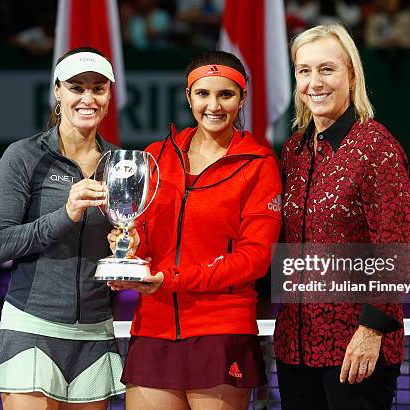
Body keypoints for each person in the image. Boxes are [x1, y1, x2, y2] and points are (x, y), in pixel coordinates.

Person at [108, 50, 282, 409]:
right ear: (188, 97)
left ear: (242, 97)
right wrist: (129, 250)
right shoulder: (156, 155)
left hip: (221, 330)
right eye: (203, 94)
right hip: (152, 328)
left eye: (226, 94)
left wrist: (172, 279)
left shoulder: (260, 165)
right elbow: (140, 236)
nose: (213, 106)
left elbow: (255, 259)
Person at [274, 23, 410, 409]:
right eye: (304, 70)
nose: (314, 82)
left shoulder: (377, 147)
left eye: (327, 69)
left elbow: (397, 250)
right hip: (295, 349)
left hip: (354, 352)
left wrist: (371, 329)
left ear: (351, 75)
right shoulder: (294, 151)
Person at [0, 47, 125, 409]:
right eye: (77, 87)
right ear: (58, 92)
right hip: (32, 327)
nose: (88, 98)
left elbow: (125, 247)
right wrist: (66, 213)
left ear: (110, 96)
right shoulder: (24, 156)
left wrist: (127, 248)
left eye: (98, 88)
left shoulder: (120, 164)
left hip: (96, 331)